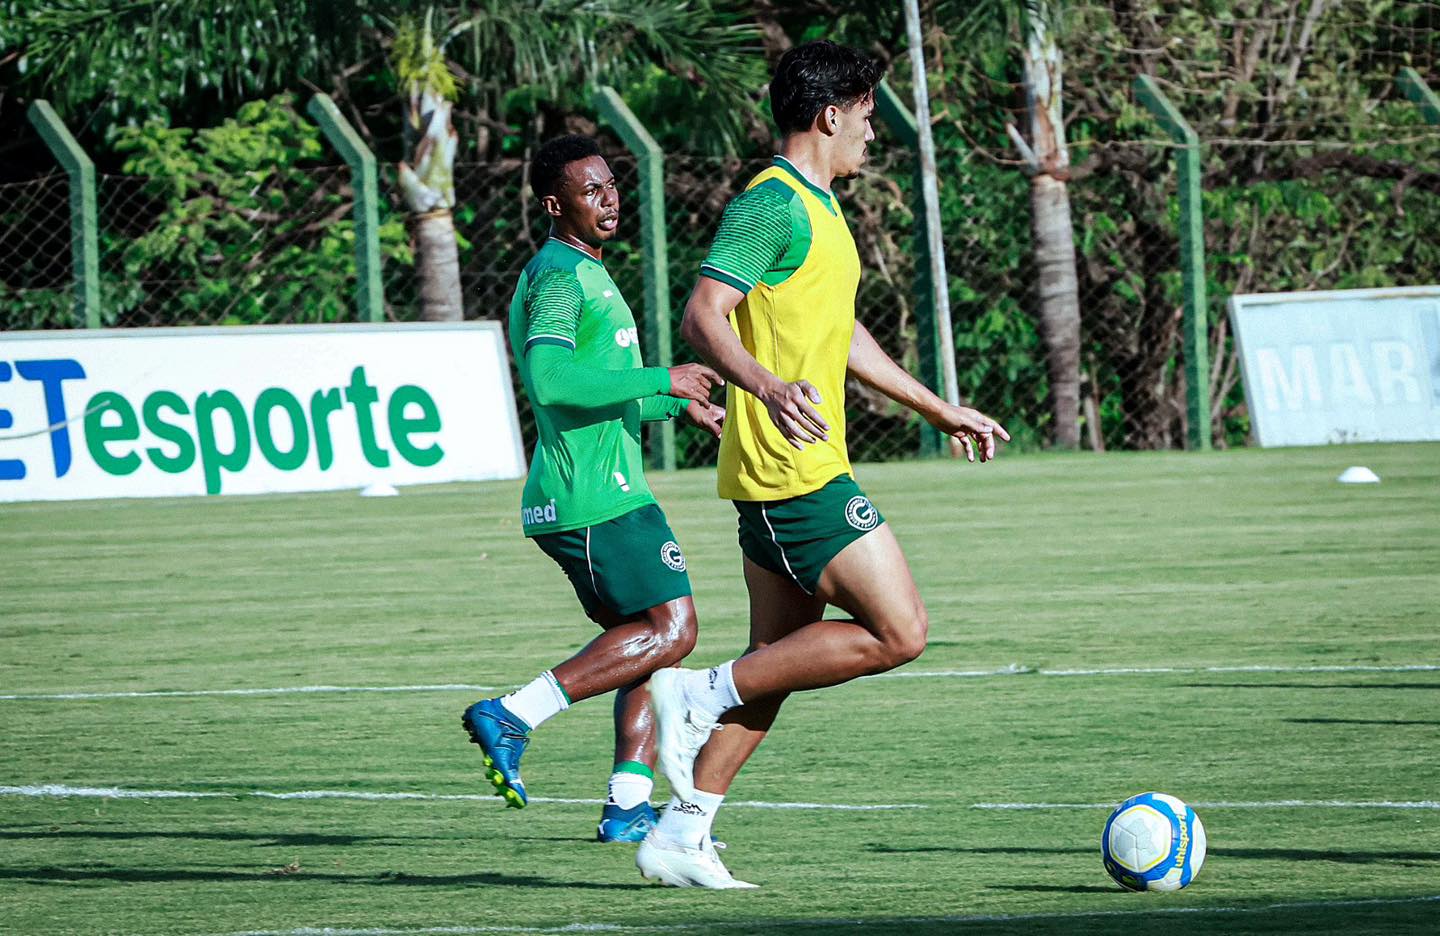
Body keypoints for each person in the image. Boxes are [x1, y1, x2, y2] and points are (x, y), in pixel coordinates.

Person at [636, 41, 1009, 888]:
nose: (874, 134)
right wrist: (764, 386)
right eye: (870, 117)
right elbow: (702, 316)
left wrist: (937, 406)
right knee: (899, 632)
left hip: (795, 469)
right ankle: (694, 694)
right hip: (790, 474)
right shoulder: (772, 204)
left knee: (778, 662)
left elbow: (843, 337)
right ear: (830, 114)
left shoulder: (824, 207)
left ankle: (682, 832)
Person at [461, 134, 725, 845]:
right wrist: (661, 377)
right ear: (556, 204)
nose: (608, 201)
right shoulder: (557, 276)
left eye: (611, 187)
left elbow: (602, 395)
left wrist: (677, 404)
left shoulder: (586, 271)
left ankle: (628, 805)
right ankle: (514, 714)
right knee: (676, 629)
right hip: (596, 499)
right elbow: (551, 384)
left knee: (647, 640)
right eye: (590, 191)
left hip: (594, 495)